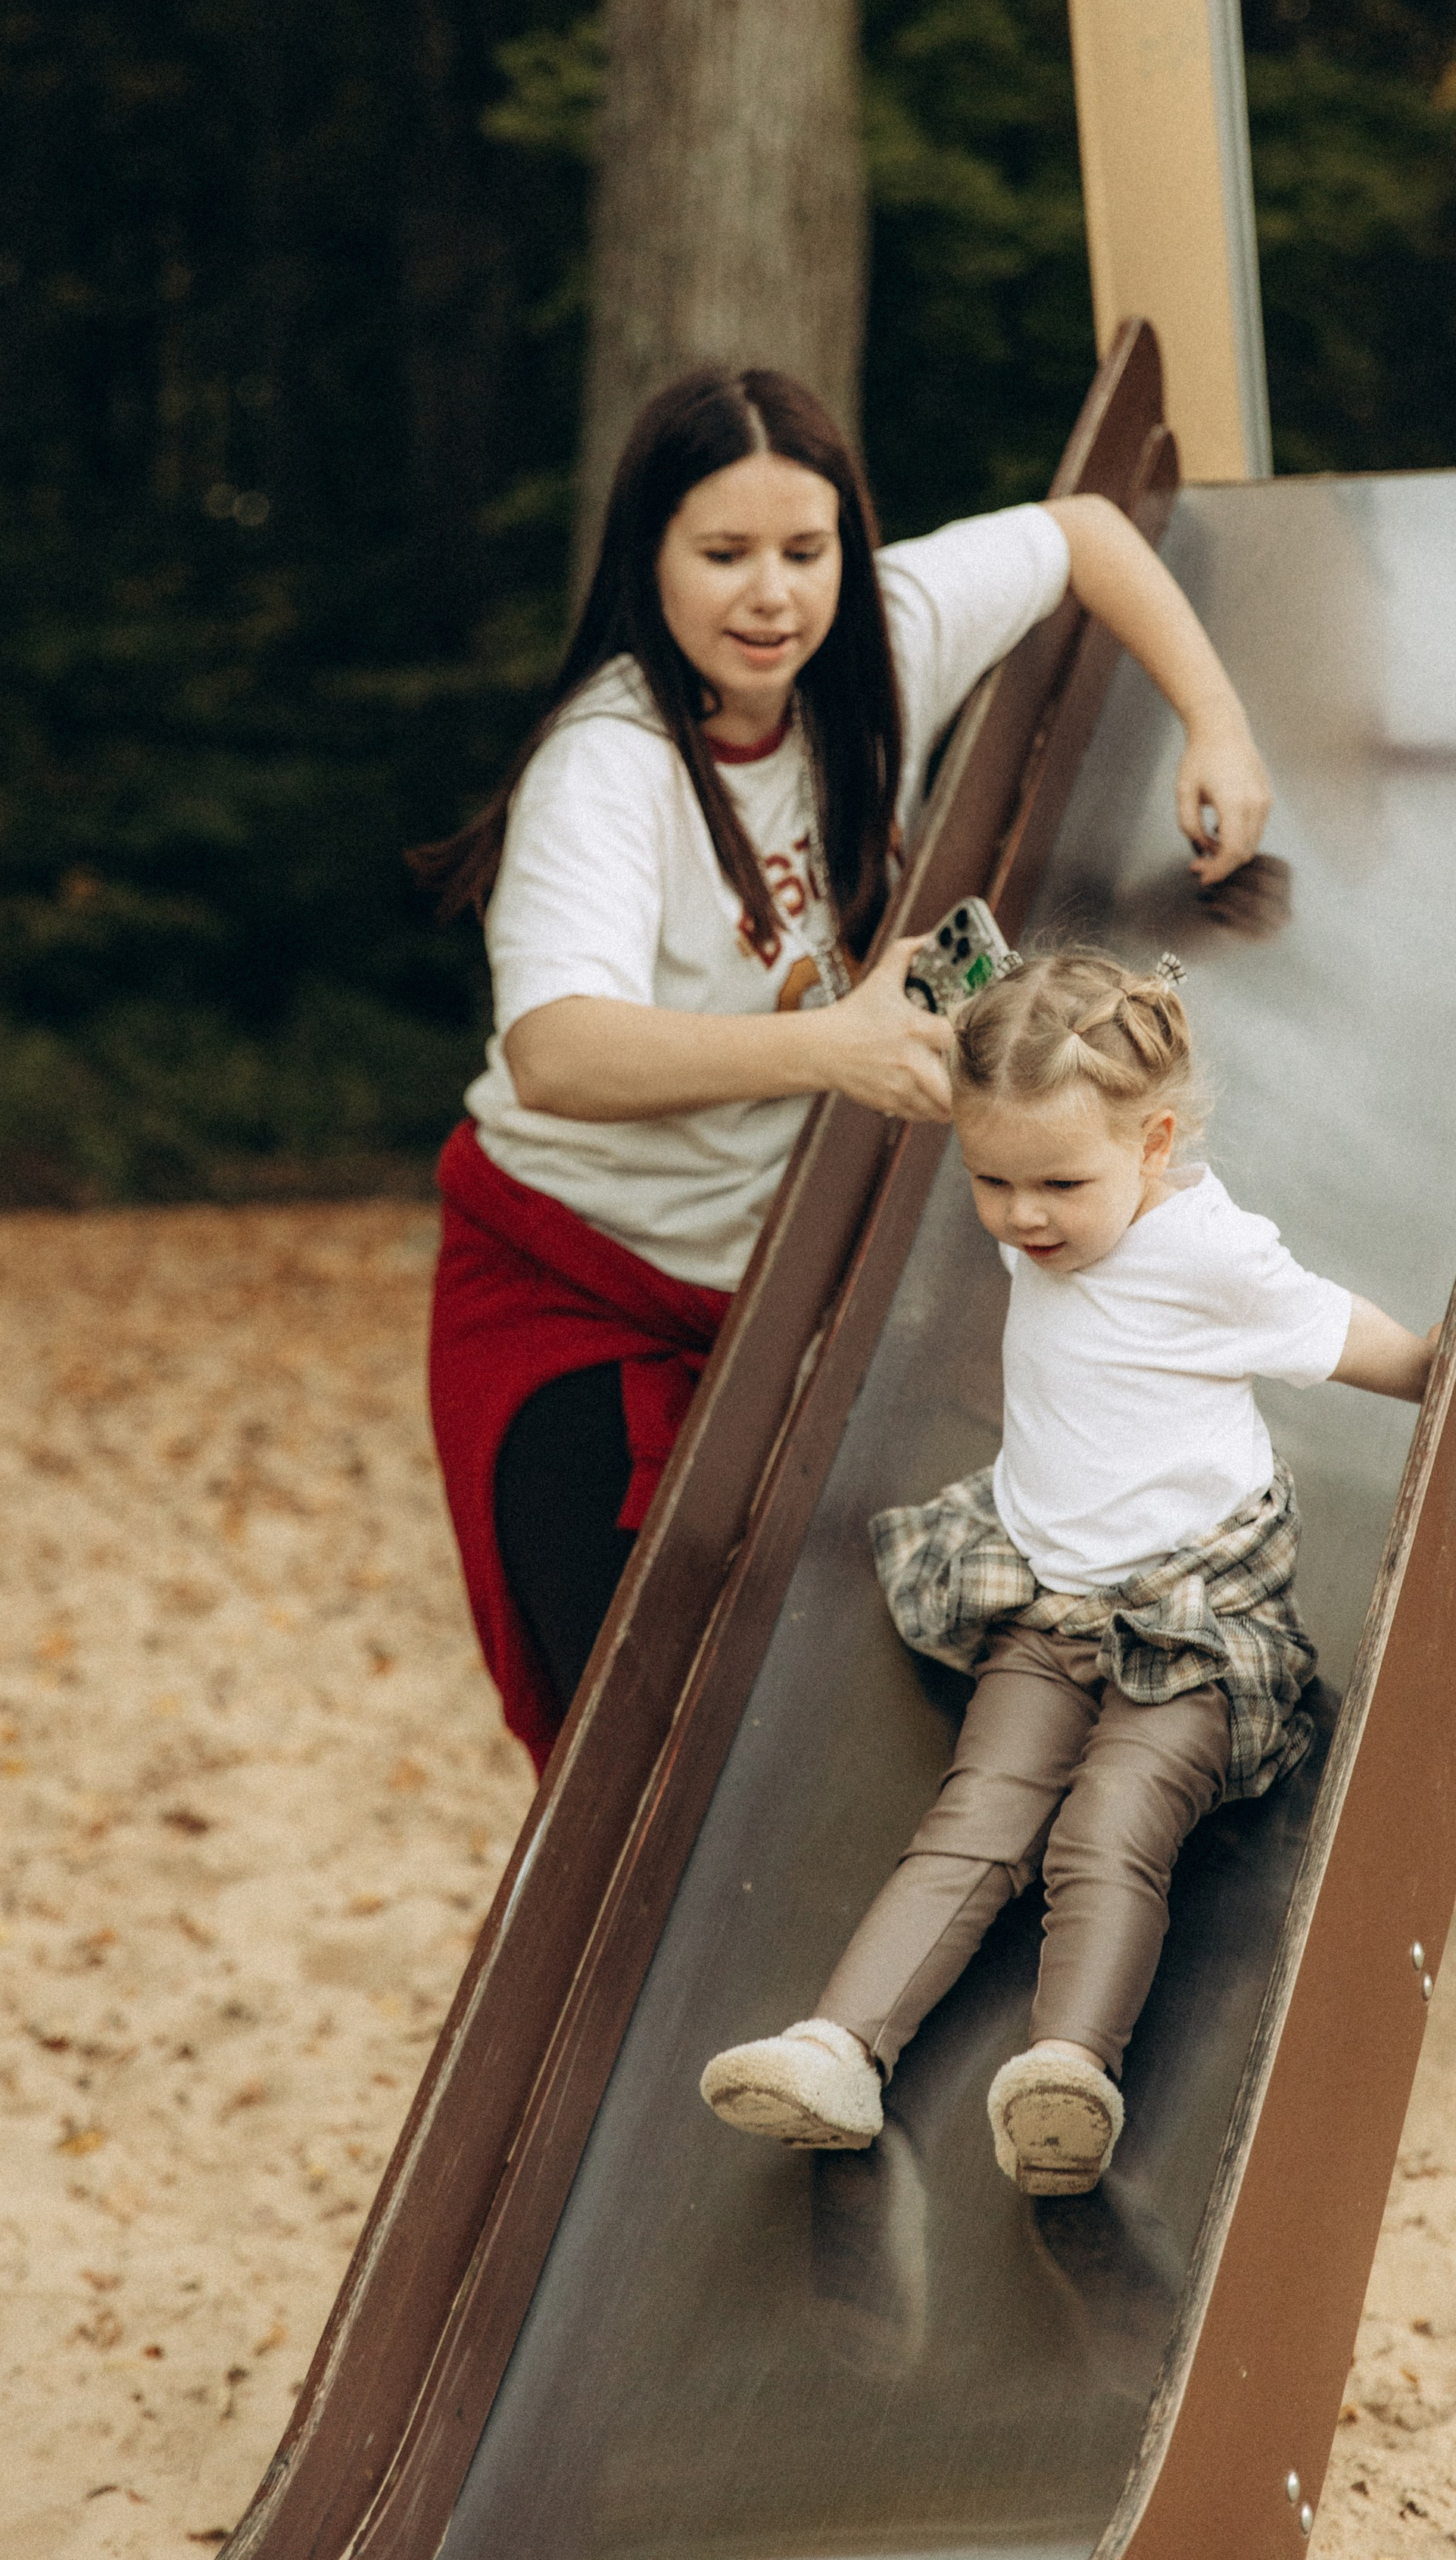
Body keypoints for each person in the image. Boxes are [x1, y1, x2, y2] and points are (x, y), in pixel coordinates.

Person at [412, 370, 1275, 1766]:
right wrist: (835, 1044)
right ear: (648, 559)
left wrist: (1216, 721)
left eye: (804, 553)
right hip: (574, 1289)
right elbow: (554, 1053)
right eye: (723, 554)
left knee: (806, 1715)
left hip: (766, 1292)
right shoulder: (610, 766)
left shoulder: (879, 641)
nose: (772, 597)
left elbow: (1092, 534)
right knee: (618, 1753)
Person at [699, 949, 1439, 2197]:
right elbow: (1022, 1031)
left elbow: (1346, 1333)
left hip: (1195, 1619)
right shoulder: (1046, 1187)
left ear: (1156, 1147)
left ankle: (1067, 2074)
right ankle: (837, 2050)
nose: (1024, 1215)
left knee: (1106, 1823)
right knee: (977, 1811)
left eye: (1058, 1184)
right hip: (1047, 1593)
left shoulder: (1214, 1256)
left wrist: (1444, 1370)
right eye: (991, 1181)